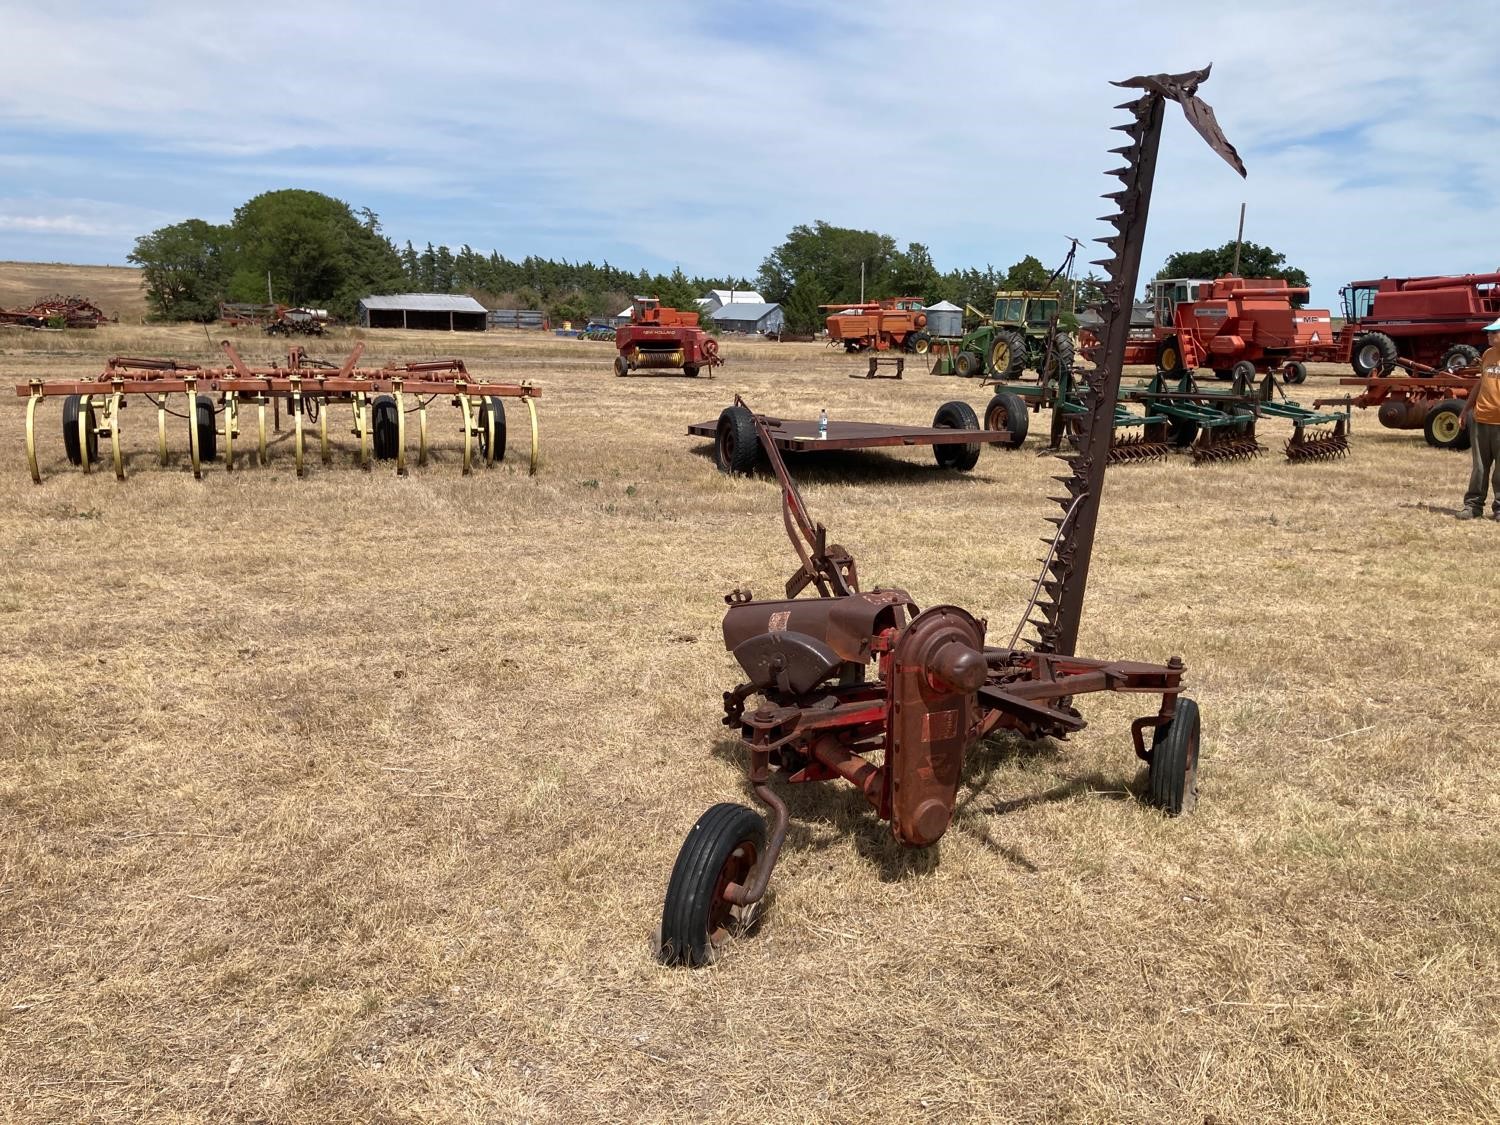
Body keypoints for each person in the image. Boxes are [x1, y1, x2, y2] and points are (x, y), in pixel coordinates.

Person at [1458, 316, 1500, 519]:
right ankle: (1473, 506)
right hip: (1481, 418)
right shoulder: (1488, 354)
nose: (1489, 335)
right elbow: (1480, 383)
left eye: (1494, 332)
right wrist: (1466, 409)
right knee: (1479, 467)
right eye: (1490, 332)